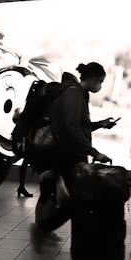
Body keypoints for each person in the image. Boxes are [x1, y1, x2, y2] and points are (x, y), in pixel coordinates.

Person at [31, 62, 118, 244]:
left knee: (73, 197)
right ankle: (44, 229)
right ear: (93, 79)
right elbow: (72, 128)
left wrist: (101, 124)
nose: (100, 86)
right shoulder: (74, 94)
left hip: (69, 153)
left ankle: (46, 229)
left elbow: (80, 126)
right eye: (100, 82)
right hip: (68, 154)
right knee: (78, 198)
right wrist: (94, 153)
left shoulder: (79, 94)